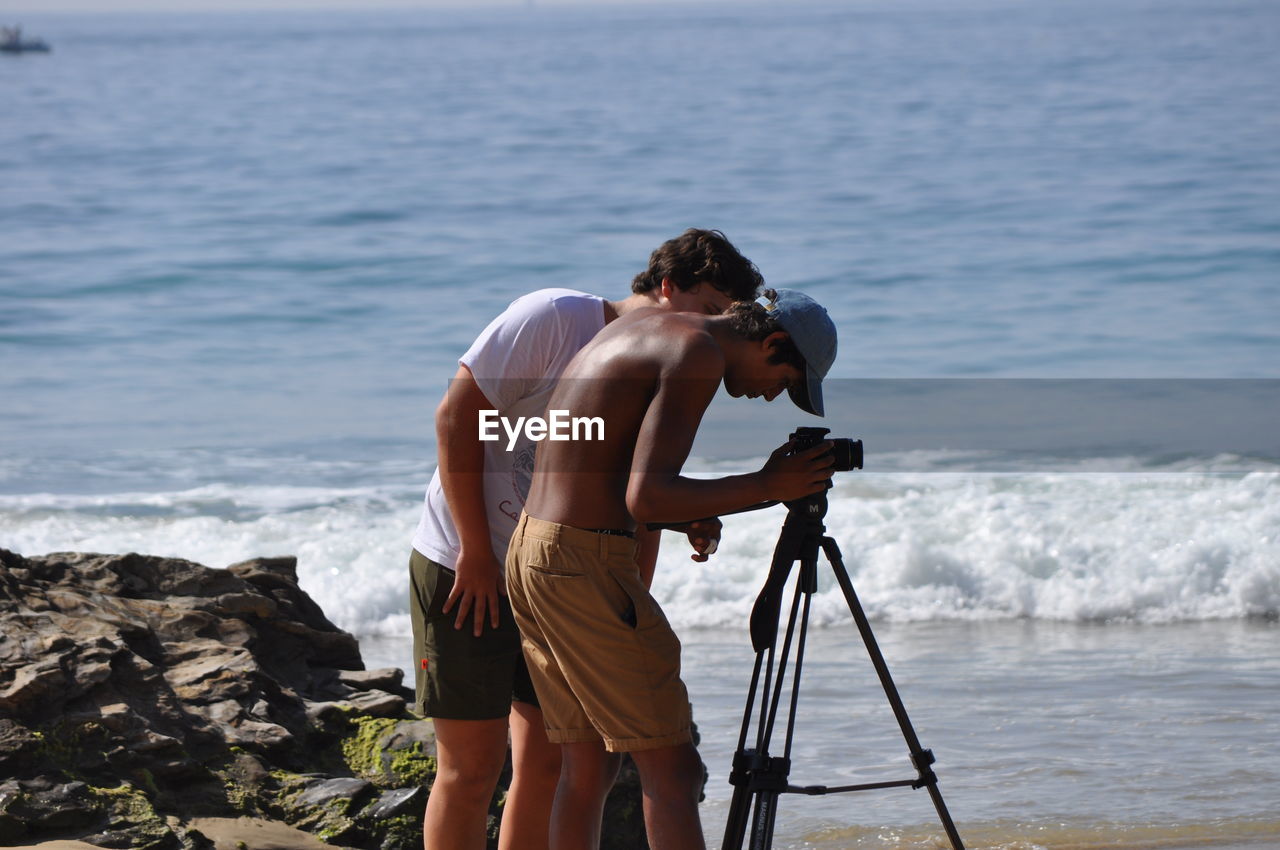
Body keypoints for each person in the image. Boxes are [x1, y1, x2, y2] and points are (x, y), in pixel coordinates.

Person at [410, 230, 763, 850]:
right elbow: (458, 416)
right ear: (666, 286)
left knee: (547, 765)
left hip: (560, 583)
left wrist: (651, 561)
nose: (712, 332)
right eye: (707, 310)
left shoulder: (667, 364)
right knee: (469, 770)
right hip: (465, 561)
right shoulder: (557, 317)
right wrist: (474, 551)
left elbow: (628, 488)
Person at [505, 288, 838, 849]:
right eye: (787, 382)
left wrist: (691, 515)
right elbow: (647, 499)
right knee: (674, 768)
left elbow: (598, 463)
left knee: (586, 763)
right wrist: (768, 486)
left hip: (537, 550)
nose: (774, 397)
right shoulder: (698, 353)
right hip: (582, 562)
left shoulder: (658, 327)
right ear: (774, 342)